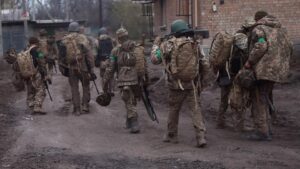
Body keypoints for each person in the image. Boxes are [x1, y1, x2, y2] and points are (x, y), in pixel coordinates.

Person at [150, 19, 207, 148]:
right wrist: (202, 81)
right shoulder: (194, 44)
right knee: (195, 109)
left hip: (175, 84)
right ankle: (201, 136)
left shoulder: (168, 44)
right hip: (191, 83)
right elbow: (204, 62)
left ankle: (172, 135)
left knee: (174, 109)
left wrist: (155, 45)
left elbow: (155, 59)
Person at [244, 11, 292, 141]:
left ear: (258, 19)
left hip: (264, 70)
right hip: (278, 70)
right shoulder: (282, 30)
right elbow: (290, 47)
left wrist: (250, 61)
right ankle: (267, 129)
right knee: (265, 97)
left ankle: (262, 132)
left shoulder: (259, 29)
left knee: (259, 99)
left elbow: (261, 46)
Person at [102, 27, 145, 134]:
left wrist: (105, 82)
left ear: (118, 38)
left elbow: (111, 68)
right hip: (136, 79)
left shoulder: (115, 51)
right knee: (131, 99)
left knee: (128, 100)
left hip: (123, 80)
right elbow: (143, 64)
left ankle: (134, 124)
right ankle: (128, 121)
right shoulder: (136, 47)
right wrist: (145, 78)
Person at [216, 31, 249, 131]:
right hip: (233, 79)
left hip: (224, 77)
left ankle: (220, 121)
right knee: (238, 102)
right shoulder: (238, 54)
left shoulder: (227, 51)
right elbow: (236, 69)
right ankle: (239, 126)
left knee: (224, 100)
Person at [61, 22, 96, 116]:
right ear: (78, 29)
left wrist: (63, 67)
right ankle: (85, 106)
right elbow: (89, 55)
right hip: (83, 67)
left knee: (74, 88)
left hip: (71, 67)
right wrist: (91, 68)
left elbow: (61, 56)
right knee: (85, 85)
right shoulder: (83, 38)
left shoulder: (65, 39)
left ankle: (76, 109)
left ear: (69, 29)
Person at [25, 37, 49, 114]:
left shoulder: (26, 50)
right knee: (40, 89)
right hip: (37, 73)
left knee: (31, 90)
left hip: (28, 73)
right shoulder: (38, 50)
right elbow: (42, 62)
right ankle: (37, 107)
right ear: (36, 42)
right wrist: (44, 74)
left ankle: (31, 106)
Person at [96, 27, 114, 96]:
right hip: (111, 60)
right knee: (111, 76)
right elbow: (114, 51)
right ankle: (111, 90)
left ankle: (105, 90)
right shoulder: (111, 40)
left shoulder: (97, 42)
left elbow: (95, 54)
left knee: (103, 76)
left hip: (102, 61)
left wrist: (96, 61)